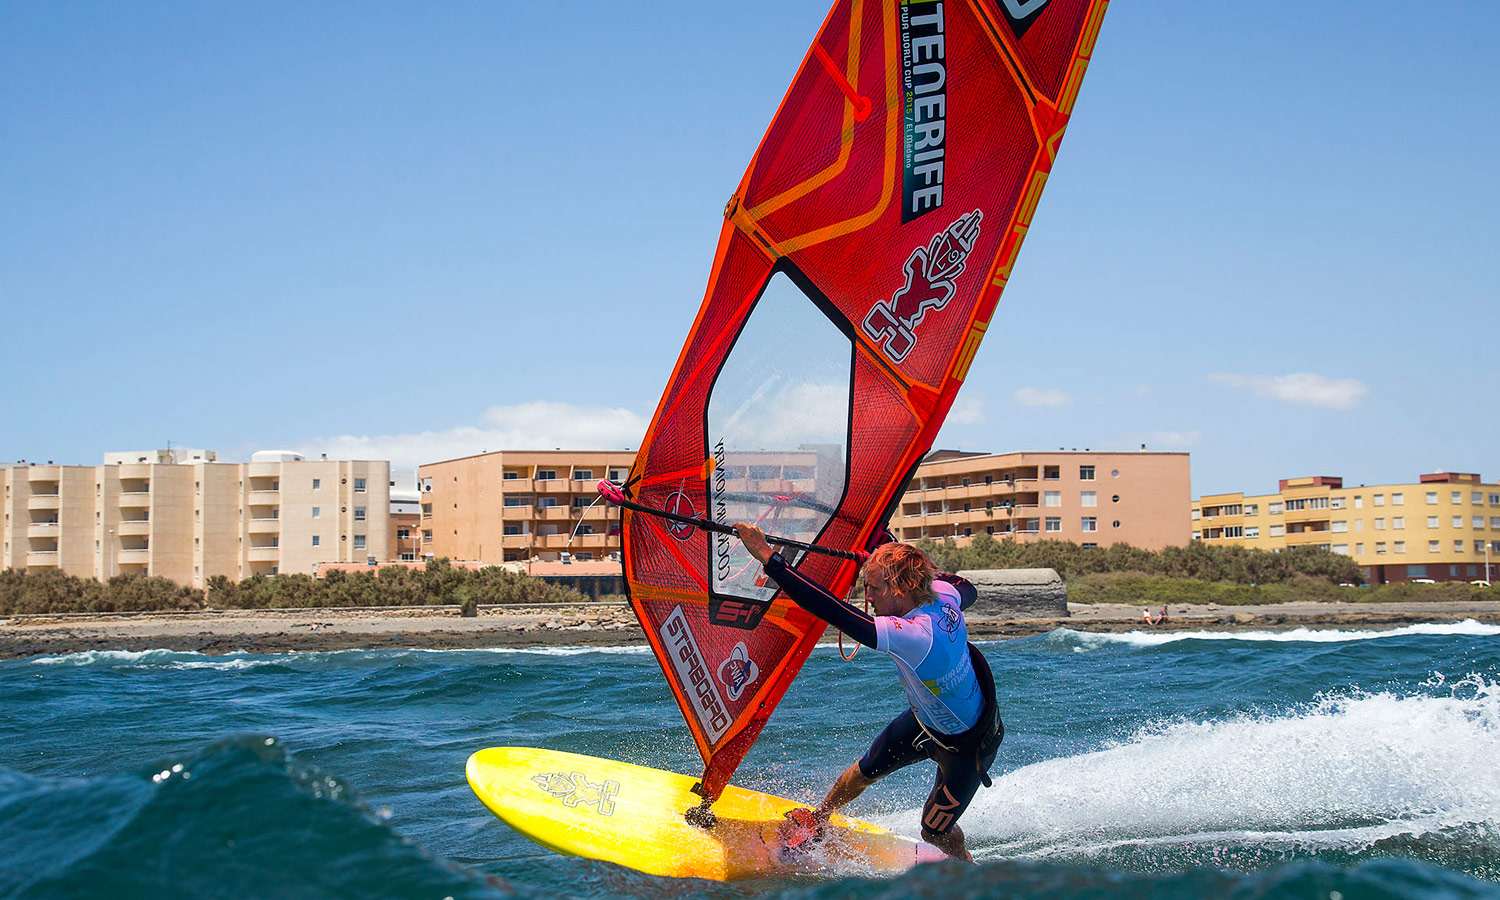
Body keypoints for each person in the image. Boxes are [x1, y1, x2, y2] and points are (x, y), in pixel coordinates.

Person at [734, 523, 1002, 862]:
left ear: (902, 588)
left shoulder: (916, 635)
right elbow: (967, 588)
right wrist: (888, 548)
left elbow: (833, 611)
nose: (869, 598)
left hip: (968, 746)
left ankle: (966, 868)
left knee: (933, 831)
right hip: (926, 721)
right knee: (863, 771)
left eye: (873, 588)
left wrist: (771, 560)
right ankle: (818, 820)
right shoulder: (943, 595)